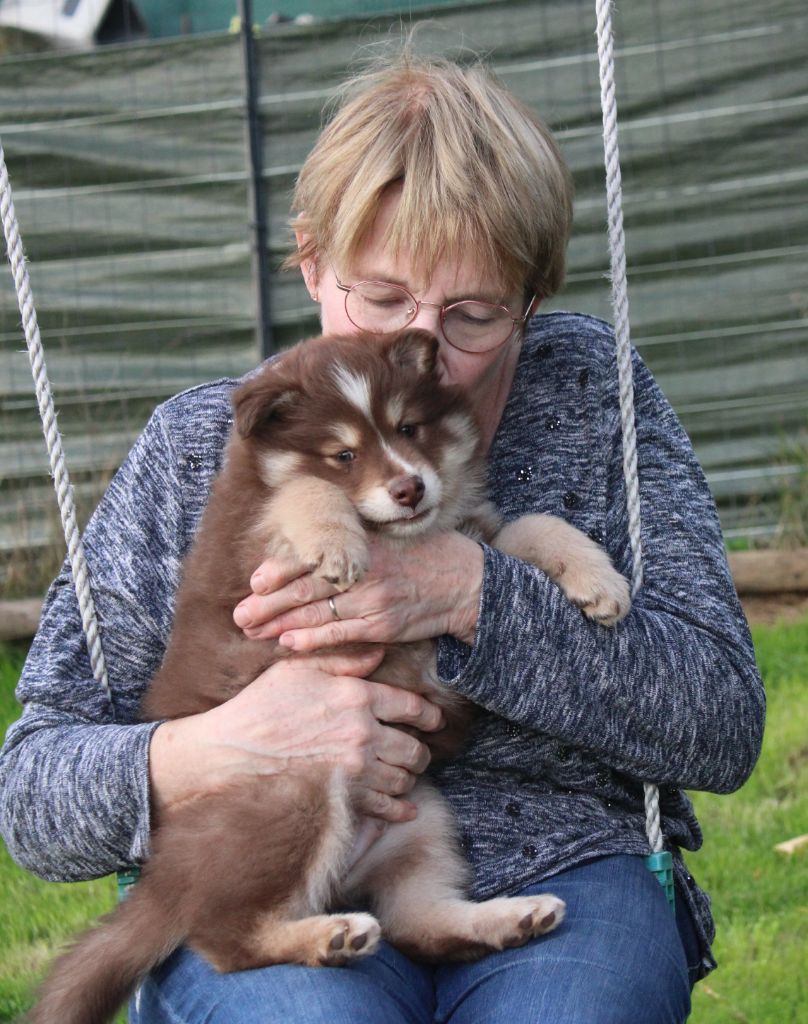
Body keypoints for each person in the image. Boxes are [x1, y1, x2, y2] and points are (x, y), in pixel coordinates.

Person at [0, 51, 764, 1024]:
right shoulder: (200, 447)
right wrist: (219, 748)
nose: (422, 349)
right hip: (269, 872)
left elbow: (720, 723)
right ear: (312, 259)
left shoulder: (593, 398)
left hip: (566, 863)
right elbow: (33, 800)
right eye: (383, 296)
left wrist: (477, 594)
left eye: (475, 313)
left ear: (530, 297)